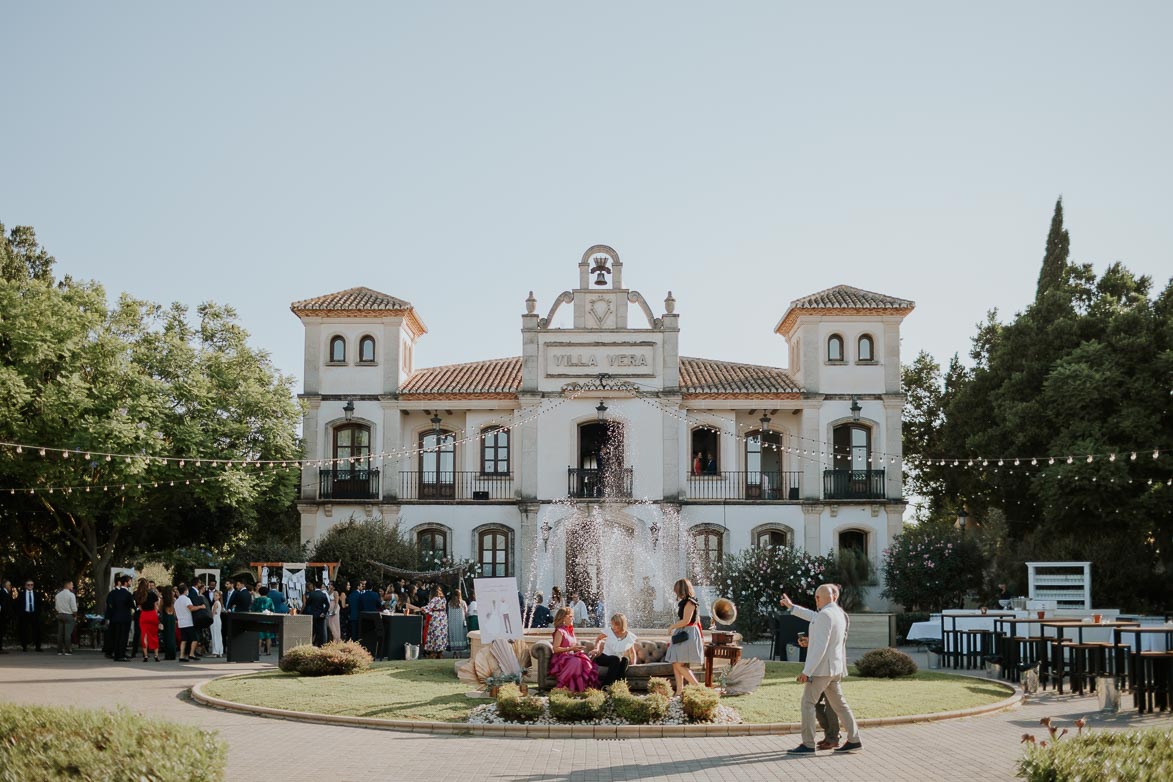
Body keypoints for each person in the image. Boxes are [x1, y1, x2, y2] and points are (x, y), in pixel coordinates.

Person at [781, 585, 862, 754]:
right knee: (840, 705)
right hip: (835, 668)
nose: (815, 600)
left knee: (807, 703)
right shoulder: (838, 613)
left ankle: (808, 744)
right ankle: (854, 740)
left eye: (817, 597)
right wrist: (792, 607)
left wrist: (807, 671)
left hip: (822, 670)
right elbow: (813, 616)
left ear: (821, 598)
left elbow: (820, 647)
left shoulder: (825, 615)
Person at [665, 578, 704, 695]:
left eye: (676, 591)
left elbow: (686, 620)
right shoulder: (688, 601)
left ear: (681, 590)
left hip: (688, 633)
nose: (675, 593)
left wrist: (672, 626)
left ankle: (698, 688)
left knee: (679, 663)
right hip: (685, 632)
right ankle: (679, 691)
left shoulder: (690, 602)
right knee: (675, 661)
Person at [547, 607, 598, 692]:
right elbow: (555, 649)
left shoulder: (570, 630)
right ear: (564, 618)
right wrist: (571, 648)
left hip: (570, 656)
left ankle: (583, 689)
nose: (572, 618)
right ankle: (563, 688)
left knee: (584, 661)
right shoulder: (560, 631)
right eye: (570, 616)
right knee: (576, 662)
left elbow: (573, 644)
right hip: (561, 659)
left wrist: (578, 649)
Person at [591, 613, 638, 686]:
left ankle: (620, 686)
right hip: (604, 657)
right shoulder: (609, 631)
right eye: (612, 624)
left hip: (617, 660)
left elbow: (632, 652)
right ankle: (605, 686)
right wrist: (596, 648)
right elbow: (598, 638)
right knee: (615, 659)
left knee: (625, 659)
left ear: (622, 625)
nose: (614, 627)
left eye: (616, 625)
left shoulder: (628, 636)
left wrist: (634, 663)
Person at [174, 582, 206, 662]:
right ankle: (191, 654)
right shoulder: (186, 599)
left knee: (184, 640)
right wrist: (200, 606)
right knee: (194, 639)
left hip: (181, 623)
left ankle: (181, 655)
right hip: (188, 622)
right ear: (185, 591)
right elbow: (191, 608)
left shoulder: (177, 601)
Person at [106, 575, 135, 661]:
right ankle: (121, 654)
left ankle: (116, 654)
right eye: (130, 581)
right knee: (123, 637)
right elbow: (132, 605)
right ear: (126, 583)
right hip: (125, 618)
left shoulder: (114, 593)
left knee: (117, 636)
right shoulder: (128, 594)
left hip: (115, 617)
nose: (131, 583)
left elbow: (110, 605)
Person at [16, 578, 43, 652]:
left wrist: (39, 612)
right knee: (24, 630)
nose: (30, 586)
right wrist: (20, 613)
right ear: (25, 586)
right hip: (25, 614)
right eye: (28, 585)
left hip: (34, 614)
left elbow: (40, 604)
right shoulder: (21, 594)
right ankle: (24, 646)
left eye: (31, 585)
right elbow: (18, 604)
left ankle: (38, 647)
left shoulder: (37, 594)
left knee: (37, 630)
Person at [422, 585, 449, 659]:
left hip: (436, 617)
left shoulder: (434, 599)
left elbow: (428, 607)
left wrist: (422, 609)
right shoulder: (443, 598)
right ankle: (440, 652)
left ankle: (433, 652)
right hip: (443, 617)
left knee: (434, 634)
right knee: (442, 634)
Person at [54, 579, 78, 656]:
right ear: (67, 585)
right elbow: (74, 607)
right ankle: (68, 650)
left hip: (60, 614)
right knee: (67, 634)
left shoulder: (58, 595)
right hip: (68, 615)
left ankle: (59, 650)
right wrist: (75, 615)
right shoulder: (71, 595)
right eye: (71, 584)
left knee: (60, 633)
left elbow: (56, 607)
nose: (73, 586)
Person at [303, 581, 330, 647]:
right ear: (321, 587)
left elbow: (307, 604)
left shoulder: (312, 594)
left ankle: (311, 643)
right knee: (321, 631)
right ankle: (321, 644)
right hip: (321, 614)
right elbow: (327, 605)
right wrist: (324, 612)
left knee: (313, 630)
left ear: (315, 586)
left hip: (313, 614)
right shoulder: (323, 594)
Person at [139, 587, 161, 662]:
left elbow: (140, 607)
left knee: (144, 635)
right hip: (152, 614)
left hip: (144, 615)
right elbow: (156, 606)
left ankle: (145, 656)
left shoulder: (141, 595)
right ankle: (156, 655)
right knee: (154, 635)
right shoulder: (153, 594)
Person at [447, 588, 468, 653]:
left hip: (452, 622)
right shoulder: (463, 602)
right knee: (460, 635)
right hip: (460, 622)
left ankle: (454, 651)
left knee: (454, 635)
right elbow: (466, 612)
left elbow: (448, 612)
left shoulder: (450, 603)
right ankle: (460, 651)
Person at [209, 590, 224, 657]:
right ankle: (219, 651)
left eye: (216, 595)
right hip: (218, 619)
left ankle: (215, 651)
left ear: (219, 596)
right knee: (218, 635)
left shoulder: (216, 603)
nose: (214, 597)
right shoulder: (220, 603)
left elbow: (213, 613)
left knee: (215, 635)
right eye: (214, 595)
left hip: (215, 619)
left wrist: (210, 618)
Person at [0, 579, 14, 653]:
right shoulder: (2, 593)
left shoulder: (5, 593)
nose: (10, 586)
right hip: (2, 616)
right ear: (5, 585)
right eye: (9, 585)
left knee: (2, 631)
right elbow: (3, 605)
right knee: (1, 631)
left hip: (4, 616)